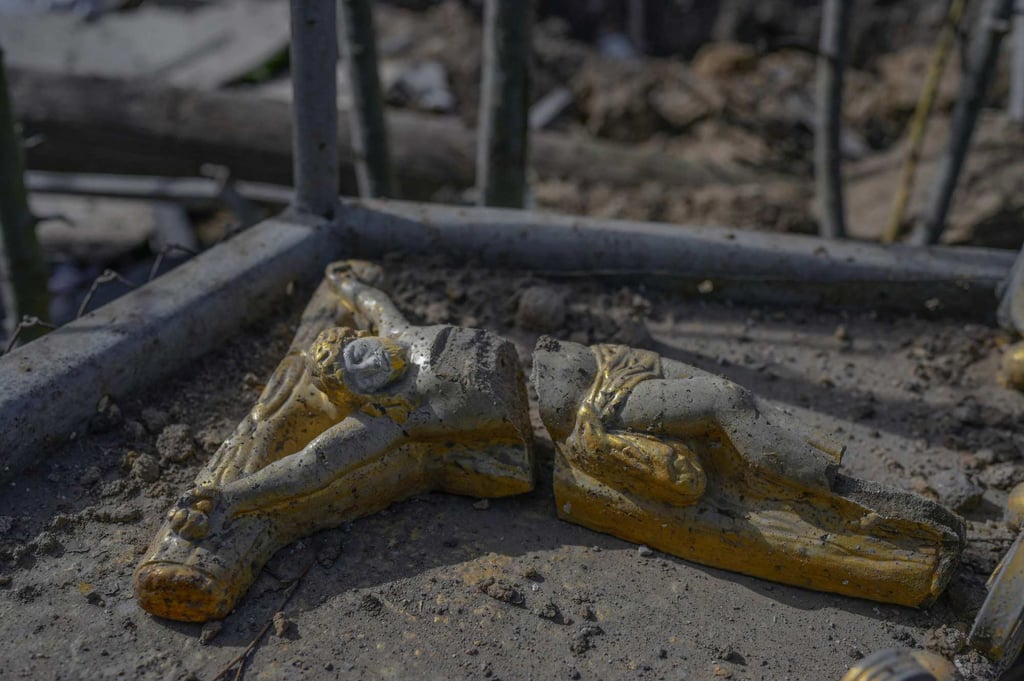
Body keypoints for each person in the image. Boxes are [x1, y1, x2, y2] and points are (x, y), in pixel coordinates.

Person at [136, 262, 533, 622]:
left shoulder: (399, 332)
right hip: (509, 424)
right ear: (362, 400)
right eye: (357, 376)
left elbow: (371, 299)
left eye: (358, 352)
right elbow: (313, 464)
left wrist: (343, 281)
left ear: (364, 337)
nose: (368, 363)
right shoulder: (394, 417)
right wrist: (231, 499)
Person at [532, 336, 965, 608]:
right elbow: (689, 477)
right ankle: (814, 478)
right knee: (725, 400)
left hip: (608, 364)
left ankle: (814, 470)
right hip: (594, 401)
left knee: (732, 398)